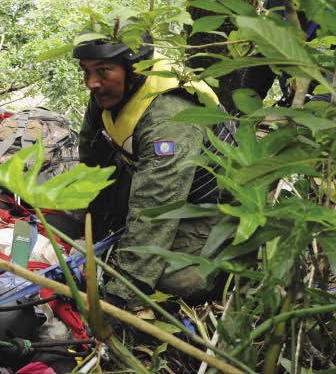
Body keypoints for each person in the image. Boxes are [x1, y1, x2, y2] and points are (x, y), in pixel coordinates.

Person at [74, 34, 234, 309]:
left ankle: (230, 265)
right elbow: (92, 156)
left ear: (134, 68)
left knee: (178, 279)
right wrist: (90, 223)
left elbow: (156, 208)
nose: (92, 83)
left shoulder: (168, 119)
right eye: (86, 72)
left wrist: (120, 297)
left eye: (102, 71)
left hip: (211, 207)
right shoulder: (108, 91)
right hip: (150, 176)